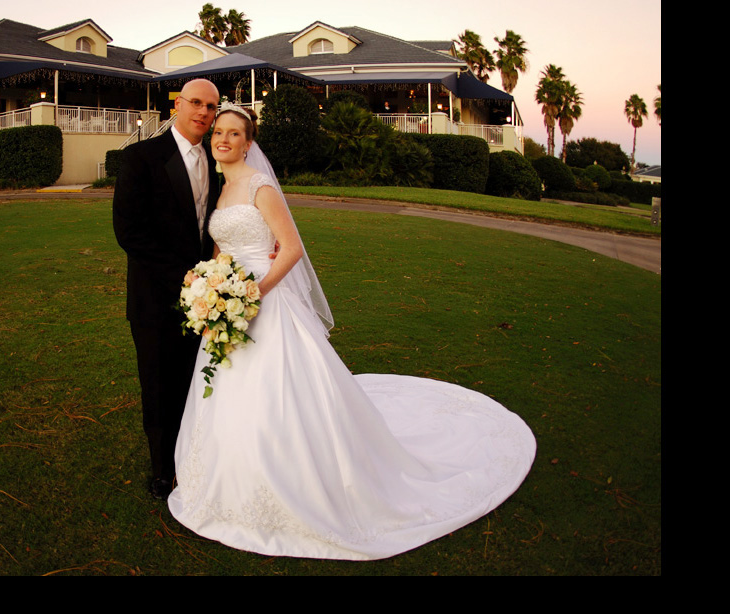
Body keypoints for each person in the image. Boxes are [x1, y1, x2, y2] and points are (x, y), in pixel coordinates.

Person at [167, 103, 537, 561]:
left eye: (233, 133)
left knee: (284, 393)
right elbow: (223, 250)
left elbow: (293, 248)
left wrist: (253, 293)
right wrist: (213, 291)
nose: (223, 139)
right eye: (218, 132)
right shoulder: (222, 193)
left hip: (265, 299)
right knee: (227, 390)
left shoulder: (260, 187)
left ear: (248, 142)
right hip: (229, 304)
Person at [113, 79, 221, 500]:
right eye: (196, 103)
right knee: (158, 386)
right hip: (155, 298)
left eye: (211, 107)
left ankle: (195, 455)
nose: (204, 113)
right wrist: (186, 276)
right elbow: (130, 233)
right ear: (178, 105)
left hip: (208, 300)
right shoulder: (141, 157)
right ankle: (162, 469)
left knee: (195, 381)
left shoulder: (216, 161)